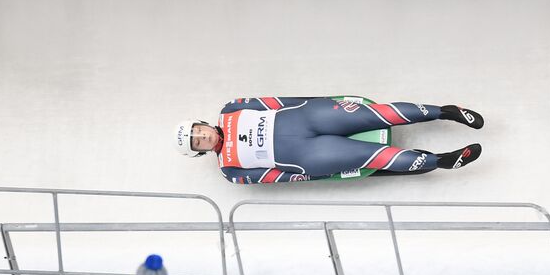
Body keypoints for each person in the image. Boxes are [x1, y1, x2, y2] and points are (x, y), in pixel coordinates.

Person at [173, 97, 483, 183]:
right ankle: (441, 161)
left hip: (309, 116)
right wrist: (311, 174)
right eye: (198, 142)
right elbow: (275, 176)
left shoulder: (231, 109)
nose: (203, 137)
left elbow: (275, 102)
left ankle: (446, 111)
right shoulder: (229, 170)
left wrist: (320, 102)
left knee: (375, 114)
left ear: (203, 124)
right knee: (372, 157)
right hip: (309, 154)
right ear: (200, 152)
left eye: (199, 131)